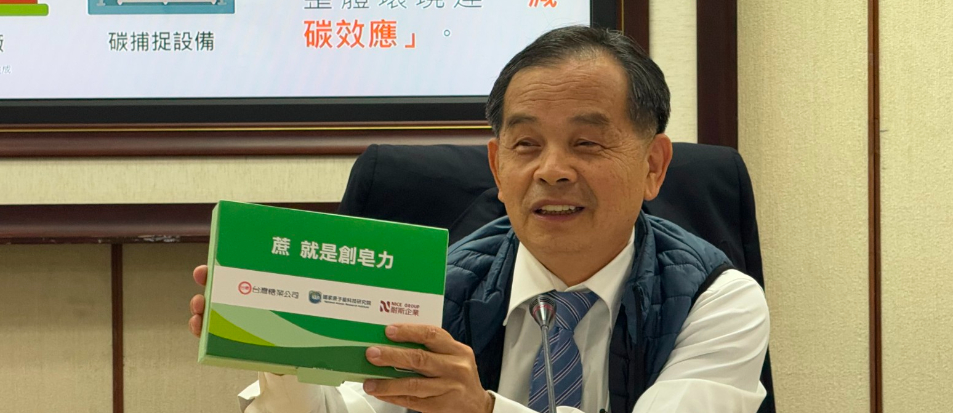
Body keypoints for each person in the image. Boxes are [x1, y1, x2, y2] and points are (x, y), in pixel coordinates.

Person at [188, 25, 769, 413]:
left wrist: (483, 409)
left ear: (654, 166)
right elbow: (350, 406)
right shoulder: (434, 286)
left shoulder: (715, 300)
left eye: (587, 143)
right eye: (526, 145)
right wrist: (281, 348)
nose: (552, 171)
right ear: (497, 165)